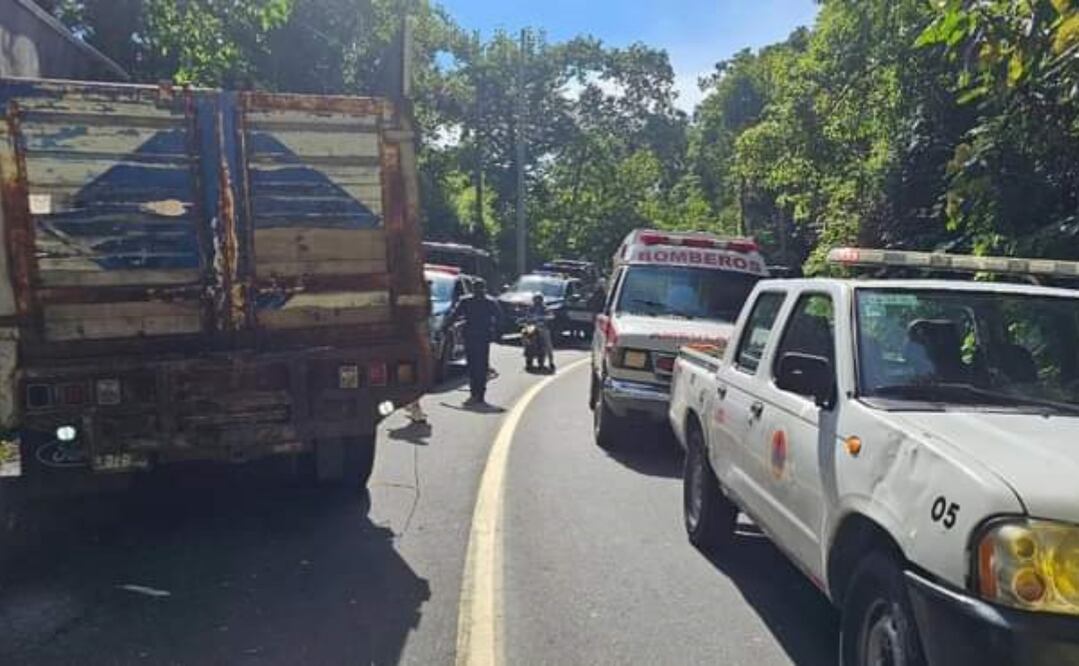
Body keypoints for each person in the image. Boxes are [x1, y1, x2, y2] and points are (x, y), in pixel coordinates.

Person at [446, 279, 502, 405]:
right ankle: (478, 394)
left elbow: (454, 316)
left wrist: (446, 327)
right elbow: (500, 319)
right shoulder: (488, 301)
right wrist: (497, 334)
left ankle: (476, 394)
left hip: (474, 337)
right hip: (479, 337)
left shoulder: (468, 301)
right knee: (479, 366)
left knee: (475, 366)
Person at [525, 293, 555, 371]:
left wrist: (543, 318)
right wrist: (527, 320)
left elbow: (551, 315)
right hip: (531, 327)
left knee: (547, 344)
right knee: (526, 338)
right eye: (535, 299)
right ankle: (528, 356)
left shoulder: (545, 308)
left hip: (542, 327)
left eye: (538, 299)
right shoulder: (530, 308)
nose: (537, 301)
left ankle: (551, 361)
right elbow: (526, 316)